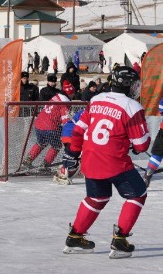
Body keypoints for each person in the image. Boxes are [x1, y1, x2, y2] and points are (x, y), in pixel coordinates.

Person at [63, 66, 150, 258]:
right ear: (128, 85)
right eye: (135, 84)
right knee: (138, 194)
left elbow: (78, 130)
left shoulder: (96, 99)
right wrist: (135, 143)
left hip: (91, 157)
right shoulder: (132, 107)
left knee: (97, 198)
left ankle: (75, 237)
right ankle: (120, 240)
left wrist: (73, 153)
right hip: (114, 161)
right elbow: (142, 145)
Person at [23, 82, 73, 168]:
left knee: (41, 142)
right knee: (57, 145)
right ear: (71, 94)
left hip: (39, 124)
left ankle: (28, 160)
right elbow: (66, 120)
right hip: (50, 127)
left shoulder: (55, 97)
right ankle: (45, 164)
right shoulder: (64, 103)